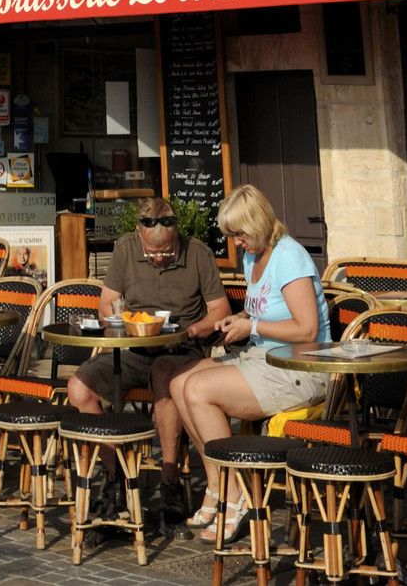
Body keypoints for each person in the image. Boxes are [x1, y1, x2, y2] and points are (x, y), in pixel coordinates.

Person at [168, 185, 329, 539]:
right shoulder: (252, 257)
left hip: (301, 366)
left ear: (257, 223)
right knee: (179, 384)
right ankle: (216, 486)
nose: (236, 242)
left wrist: (250, 325)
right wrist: (239, 319)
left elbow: (307, 329)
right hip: (261, 356)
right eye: (231, 235)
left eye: (239, 234)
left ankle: (237, 496)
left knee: (198, 389)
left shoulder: (289, 256)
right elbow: (263, 309)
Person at [67, 197, 230, 523]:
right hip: (132, 349)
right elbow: (106, 304)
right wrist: (120, 320)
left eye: (166, 251)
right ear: (139, 234)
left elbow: (221, 310)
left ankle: (169, 480)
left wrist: (196, 328)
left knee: (164, 374)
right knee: (78, 387)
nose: (159, 258)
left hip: (180, 350)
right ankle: (114, 477)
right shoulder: (125, 248)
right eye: (152, 253)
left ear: (177, 235)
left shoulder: (197, 253)